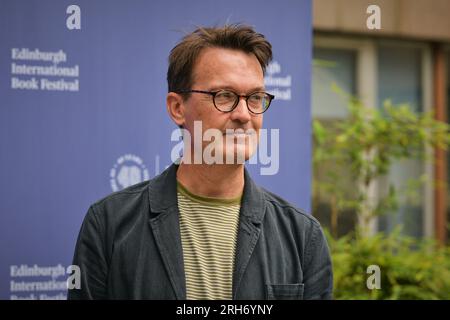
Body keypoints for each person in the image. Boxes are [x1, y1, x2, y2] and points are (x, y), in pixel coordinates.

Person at [68, 24, 333, 300]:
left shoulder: (303, 237)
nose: (244, 114)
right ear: (177, 108)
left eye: (255, 97)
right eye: (225, 96)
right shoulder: (109, 225)